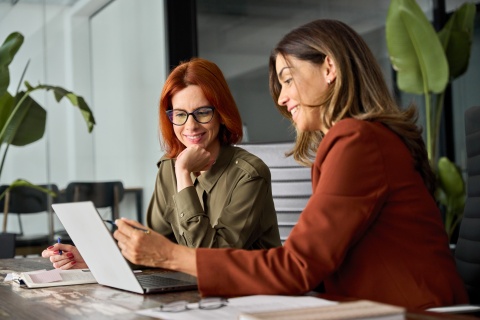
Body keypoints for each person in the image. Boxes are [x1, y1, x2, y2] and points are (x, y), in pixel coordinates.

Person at [45, 20, 468, 309]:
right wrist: (103, 256)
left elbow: (295, 267)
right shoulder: (363, 140)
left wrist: (172, 256)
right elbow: (309, 264)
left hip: (408, 312)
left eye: (287, 78)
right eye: (179, 115)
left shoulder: (356, 139)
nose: (282, 98)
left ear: (330, 68)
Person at [43, 58, 281, 268]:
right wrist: (92, 258)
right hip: (187, 291)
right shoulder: (168, 167)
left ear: (221, 113)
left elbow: (209, 259)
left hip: (245, 296)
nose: (190, 126)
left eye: (203, 112)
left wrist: (184, 174)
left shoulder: (249, 174)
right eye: (180, 114)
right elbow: (155, 246)